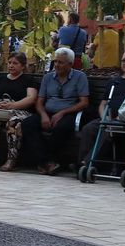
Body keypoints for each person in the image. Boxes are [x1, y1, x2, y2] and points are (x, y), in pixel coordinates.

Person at [76, 50, 125, 167]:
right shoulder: (114, 82)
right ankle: (83, 162)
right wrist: (105, 118)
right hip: (109, 118)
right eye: (124, 60)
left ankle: (86, 164)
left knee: (109, 131)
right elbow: (103, 104)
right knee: (89, 129)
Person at [0, 50, 38, 171]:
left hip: (19, 111)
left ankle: (12, 158)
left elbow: (31, 98)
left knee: (14, 123)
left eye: (15, 63)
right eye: (10, 62)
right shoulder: (1, 79)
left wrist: (13, 105)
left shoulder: (28, 80)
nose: (11, 65)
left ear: (22, 66)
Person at [35, 47, 90, 175]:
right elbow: (39, 101)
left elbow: (84, 102)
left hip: (69, 112)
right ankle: (46, 162)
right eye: (55, 62)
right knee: (28, 124)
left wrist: (62, 112)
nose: (57, 65)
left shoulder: (79, 77)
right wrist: (43, 115)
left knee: (61, 127)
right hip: (48, 111)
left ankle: (48, 161)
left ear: (70, 64)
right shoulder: (48, 78)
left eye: (61, 62)